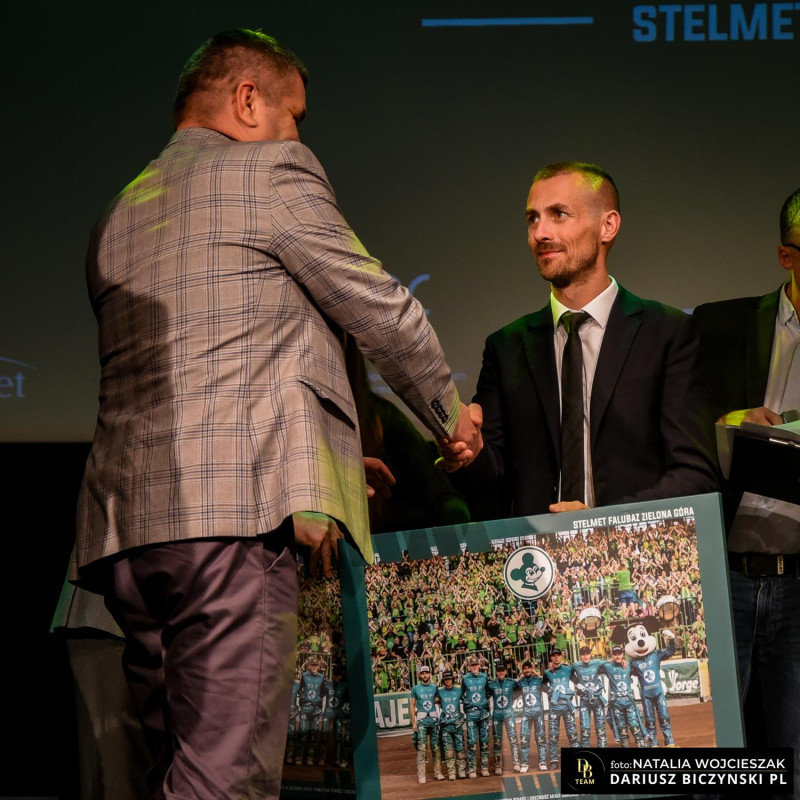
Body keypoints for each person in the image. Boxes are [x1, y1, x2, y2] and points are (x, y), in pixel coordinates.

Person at [74, 28, 481, 800]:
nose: (298, 134)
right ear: (247, 99)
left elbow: (221, 361)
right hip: (230, 523)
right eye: (294, 114)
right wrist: (449, 417)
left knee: (177, 772)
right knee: (224, 783)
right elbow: (381, 310)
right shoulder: (269, 171)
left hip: (128, 534)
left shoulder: (119, 211)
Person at [439, 161, 717, 519]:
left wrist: (599, 523)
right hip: (536, 552)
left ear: (608, 226)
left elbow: (695, 476)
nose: (540, 233)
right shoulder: (506, 347)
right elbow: (492, 483)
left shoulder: (667, 333)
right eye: (533, 218)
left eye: (559, 214)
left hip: (629, 549)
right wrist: (470, 452)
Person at [694, 187, 800, 798]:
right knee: (712, 764)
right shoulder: (719, 326)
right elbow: (675, 428)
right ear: (787, 256)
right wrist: (727, 422)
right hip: (725, 574)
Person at [600, 645, 648, 748]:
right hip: (616, 704)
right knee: (622, 729)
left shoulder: (629, 665)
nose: (617, 656)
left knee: (635, 725)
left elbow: (640, 663)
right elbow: (594, 667)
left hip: (629, 702)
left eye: (619, 654)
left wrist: (625, 661)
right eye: (615, 654)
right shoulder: (608, 667)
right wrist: (607, 661)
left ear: (623, 654)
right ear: (612, 655)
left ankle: (641, 743)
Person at [541, 648, 578, 771]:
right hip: (554, 709)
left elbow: (577, 681)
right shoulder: (547, 672)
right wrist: (550, 691)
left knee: (572, 734)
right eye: (554, 655)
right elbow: (542, 685)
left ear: (561, 656)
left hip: (567, 707)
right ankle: (553, 761)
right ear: (551, 658)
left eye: (558, 655)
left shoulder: (568, 669)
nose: (556, 657)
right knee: (553, 736)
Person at [409, 664, 444, 783]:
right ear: (420, 675)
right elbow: (412, 705)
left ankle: (438, 772)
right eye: (423, 673)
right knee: (422, 748)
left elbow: (439, 700)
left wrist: (434, 702)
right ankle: (421, 775)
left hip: (433, 720)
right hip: (421, 720)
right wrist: (413, 722)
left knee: (436, 747)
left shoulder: (435, 687)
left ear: (430, 674)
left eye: (426, 673)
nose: (425, 675)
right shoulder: (416, 688)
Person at [570, 645, 608, 748]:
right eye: (583, 654)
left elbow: (610, 662)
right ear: (580, 656)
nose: (585, 656)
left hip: (597, 700)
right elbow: (566, 671)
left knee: (600, 729)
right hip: (584, 701)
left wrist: (622, 661)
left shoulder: (597, 662)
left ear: (591, 654)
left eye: (587, 654)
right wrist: (577, 683)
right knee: (585, 729)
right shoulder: (576, 665)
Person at [487, 661, 520, 774]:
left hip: (509, 714)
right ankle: (498, 765)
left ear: (506, 671)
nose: (500, 673)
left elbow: (520, 689)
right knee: (497, 741)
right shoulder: (492, 684)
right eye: (498, 671)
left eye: (502, 670)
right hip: (497, 715)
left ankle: (516, 763)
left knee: (513, 738)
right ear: (496, 672)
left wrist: (512, 698)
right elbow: (485, 696)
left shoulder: (511, 682)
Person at [461, 654, 491, 778]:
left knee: (484, 741)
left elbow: (489, 691)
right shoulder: (465, 678)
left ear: (479, 665)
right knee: (472, 741)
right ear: (469, 667)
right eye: (472, 665)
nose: (474, 667)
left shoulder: (484, 677)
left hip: (483, 714)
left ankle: (484, 767)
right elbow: (461, 693)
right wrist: (468, 703)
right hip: (471, 715)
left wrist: (484, 702)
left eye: (476, 665)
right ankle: (472, 768)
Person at [516, 660, 548, 773]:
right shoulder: (520, 683)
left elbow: (548, 688)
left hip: (538, 714)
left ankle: (542, 762)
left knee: (541, 738)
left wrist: (538, 675)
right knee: (524, 739)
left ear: (532, 669)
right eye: (525, 668)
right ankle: (524, 763)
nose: (527, 670)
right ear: (522, 670)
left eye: (529, 668)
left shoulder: (538, 681)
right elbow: (512, 694)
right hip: (526, 715)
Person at [437, 669, 467, 781]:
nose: (448, 681)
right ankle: (451, 772)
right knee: (448, 750)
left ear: (453, 679)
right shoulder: (440, 691)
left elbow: (467, 700)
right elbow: (434, 701)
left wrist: (464, 716)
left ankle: (462, 770)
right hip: (446, 726)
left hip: (457, 725)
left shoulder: (459, 690)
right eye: (445, 679)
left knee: (460, 748)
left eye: (449, 679)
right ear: (443, 680)